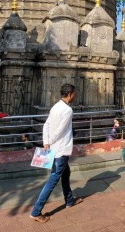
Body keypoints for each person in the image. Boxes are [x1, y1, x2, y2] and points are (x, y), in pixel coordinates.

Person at [30, 84, 83, 223]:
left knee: (66, 174)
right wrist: (49, 141)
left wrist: (46, 142)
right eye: (74, 94)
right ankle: (36, 211)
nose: (75, 96)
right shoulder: (67, 110)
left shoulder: (55, 106)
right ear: (70, 94)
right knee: (53, 180)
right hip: (61, 150)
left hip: (54, 148)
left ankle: (69, 200)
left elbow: (46, 125)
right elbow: (60, 130)